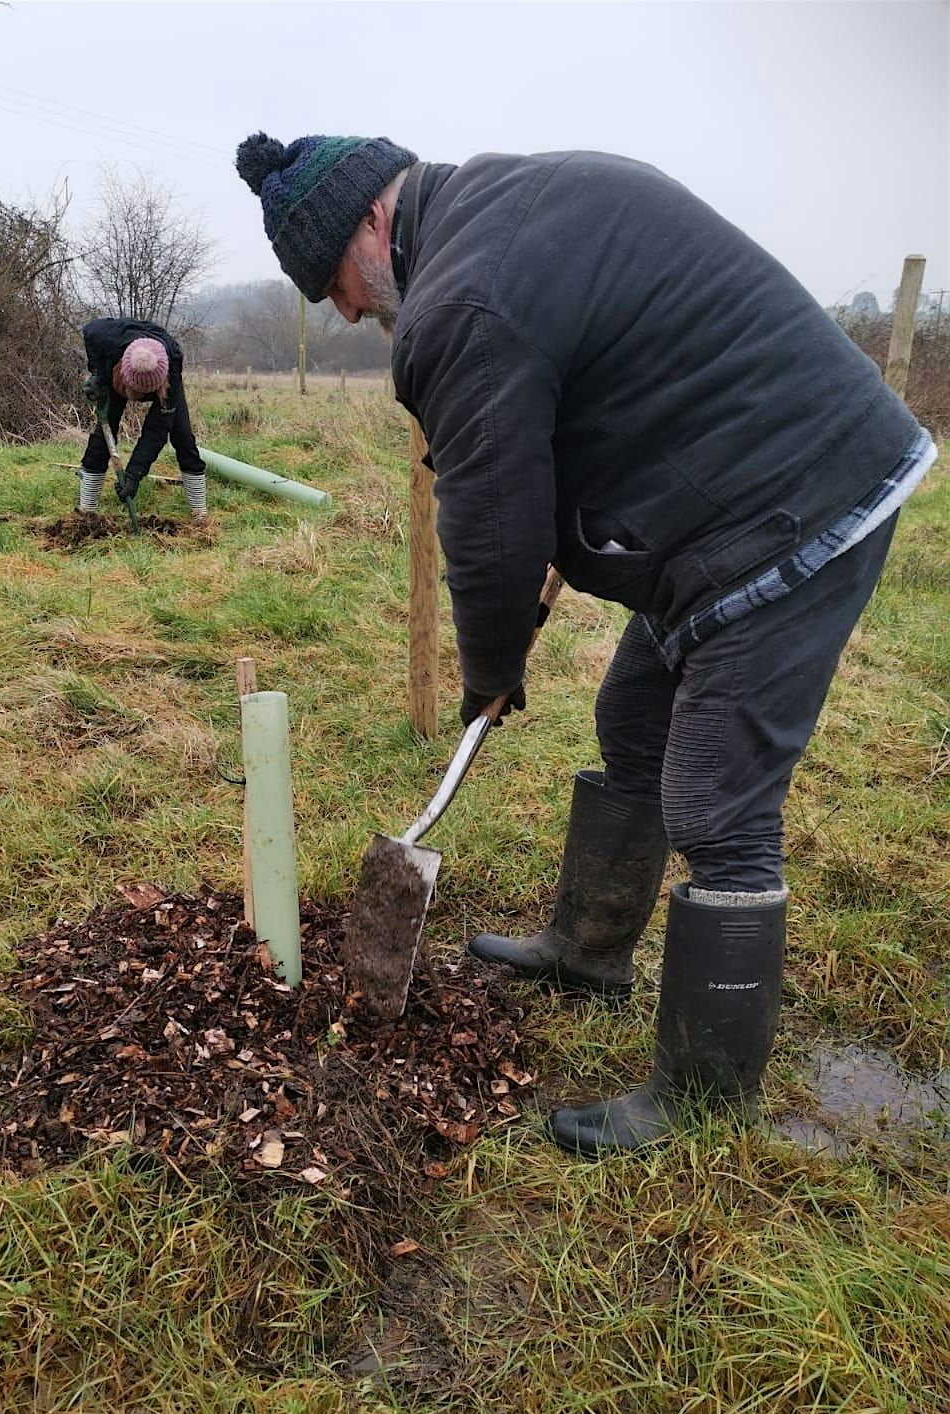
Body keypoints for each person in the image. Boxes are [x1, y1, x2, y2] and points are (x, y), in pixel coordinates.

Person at [235, 131, 936, 1158]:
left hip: (797, 495)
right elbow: (566, 413)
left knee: (716, 802)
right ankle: (588, 950)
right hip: (728, 495)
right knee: (630, 717)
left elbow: (486, 517)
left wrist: (490, 673)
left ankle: (701, 1097)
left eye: (331, 281)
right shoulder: (496, 216)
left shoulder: (461, 299)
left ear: (373, 225)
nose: (342, 310)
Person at [78, 317, 207, 520]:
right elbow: (89, 330)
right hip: (116, 371)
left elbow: (156, 433)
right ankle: (86, 513)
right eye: (136, 392)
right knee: (103, 435)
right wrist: (97, 373)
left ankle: (200, 516)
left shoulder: (171, 366)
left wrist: (133, 475)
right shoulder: (105, 337)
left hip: (164, 382)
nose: (138, 400)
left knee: (183, 438)